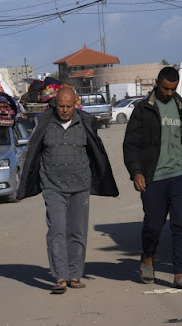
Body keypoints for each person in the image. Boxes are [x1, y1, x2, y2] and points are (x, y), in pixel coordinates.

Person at [16, 87, 119, 294]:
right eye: (61, 106)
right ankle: (60, 276)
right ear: (55, 104)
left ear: (75, 104)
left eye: (69, 106)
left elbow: (95, 152)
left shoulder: (86, 123)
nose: (64, 110)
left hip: (80, 186)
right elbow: (32, 152)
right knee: (57, 230)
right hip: (53, 187)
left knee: (77, 232)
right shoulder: (44, 123)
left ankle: (74, 275)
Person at [123, 67, 182, 290]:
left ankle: (179, 274)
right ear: (157, 82)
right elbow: (131, 144)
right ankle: (148, 257)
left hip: (181, 175)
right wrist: (136, 172)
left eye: (173, 89)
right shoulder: (143, 109)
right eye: (166, 88)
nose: (169, 93)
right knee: (153, 226)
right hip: (153, 178)